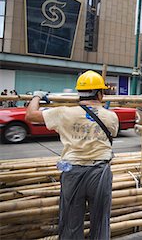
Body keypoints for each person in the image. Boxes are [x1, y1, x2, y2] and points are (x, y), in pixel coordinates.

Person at [25, 70, 119, 239]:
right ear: (100, 94)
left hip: (72, 172)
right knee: (100, 221)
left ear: (79, 93)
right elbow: (112, 133)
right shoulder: (111, 116)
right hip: (100, 173)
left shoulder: (63, 113)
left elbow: (30, 115)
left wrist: (37, 97)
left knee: (70, 221)